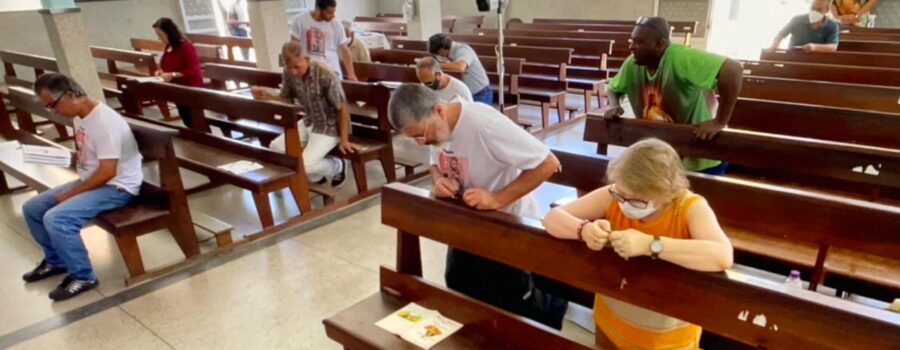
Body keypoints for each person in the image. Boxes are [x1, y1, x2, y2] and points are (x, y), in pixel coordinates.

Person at [387, 83, 567, 329]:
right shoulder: (435, 127)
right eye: (413, 138)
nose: (421, 142)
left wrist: (498, 198)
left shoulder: (484, 125)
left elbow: (548, 163)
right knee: (459, 287)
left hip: (506, 225)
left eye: (421, 135)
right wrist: (439, 180)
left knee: (509, 305)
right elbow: (435, 164)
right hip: (467, 223)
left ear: (439, 110)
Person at [542, 138, 733, 350]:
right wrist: (584, 230)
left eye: (635, 200)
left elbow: (722, 255)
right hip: (611, 322)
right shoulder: (614, 195)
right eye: (621, 195)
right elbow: (552, 218)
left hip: (667, 340)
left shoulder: (689, 207)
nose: (624, 204)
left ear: (665, 192)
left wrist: (651, 245)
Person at [23, 73, 143, 301]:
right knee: (33, 208)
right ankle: (56, 261)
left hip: (117, 187)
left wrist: (68, 195)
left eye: (52, 105)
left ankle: (83, 276)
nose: (53, 112)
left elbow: (109, 171)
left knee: (57, 218)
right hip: (94, 180)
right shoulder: (81, 115)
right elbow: (90, 154)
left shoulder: (104, 123)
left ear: (71, 95)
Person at [602, 17, 743, 175]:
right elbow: (613, 88)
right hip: (660, 157)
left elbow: (733, 69)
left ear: (660, 44)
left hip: (700, 158)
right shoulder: (632, 63)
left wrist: (720, 121)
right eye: (632, 40)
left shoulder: (680, 57)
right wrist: (614, 105)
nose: (632, 47)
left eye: (639, 42)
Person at [250, 41, 359, 187]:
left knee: (305, 166)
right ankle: (316, 176)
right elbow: (286, 97)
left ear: (306, 59)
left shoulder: (325, 74)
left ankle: (337, 165)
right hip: (308, 120)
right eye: (290, 67)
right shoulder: (288, 72)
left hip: (330, 125)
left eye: (297, 67)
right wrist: (267, 95)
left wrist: (344, 140)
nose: (294, 71)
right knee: (276, 148)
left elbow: (342, 107)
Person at [153, 17, 204, 129]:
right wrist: (160, 71)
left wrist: (173, 75)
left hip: (190, 87)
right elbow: (166, 65)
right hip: (177, 88)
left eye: (161, 35)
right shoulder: (168, 47)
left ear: (169, 33)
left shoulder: (185, 46)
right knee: (186, 119)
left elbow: (194, 68)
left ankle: (204, 139)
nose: (159, 38)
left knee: (195, 120)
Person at [289, 0, 358, 81]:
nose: (333, 16)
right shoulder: (299, 21)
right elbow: (294, 47)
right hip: (309, 70)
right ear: (318, 9)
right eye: (329, 13)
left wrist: (351, 74)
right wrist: (297, 67)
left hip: (331, 71)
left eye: (334, 12)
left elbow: (345, 50)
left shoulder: (336, 25)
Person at [427, 34, 493, 105]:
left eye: (438, 54)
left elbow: (460, 67)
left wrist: (436, 65)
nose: (439, 56)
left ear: (441, 50)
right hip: (465, 93)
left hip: (480, 93)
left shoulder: (462, 50)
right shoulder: (450, 54)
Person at [771, 0, 840, 53]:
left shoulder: (832, 25)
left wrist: (814, 47)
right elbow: (781, 35)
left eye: (819, 10)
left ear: (827, 10)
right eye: (812, 8)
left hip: (816, 62)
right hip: (793, 59)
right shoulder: (797, 20)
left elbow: (833, 46)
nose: (814, 11)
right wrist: (775, 48)